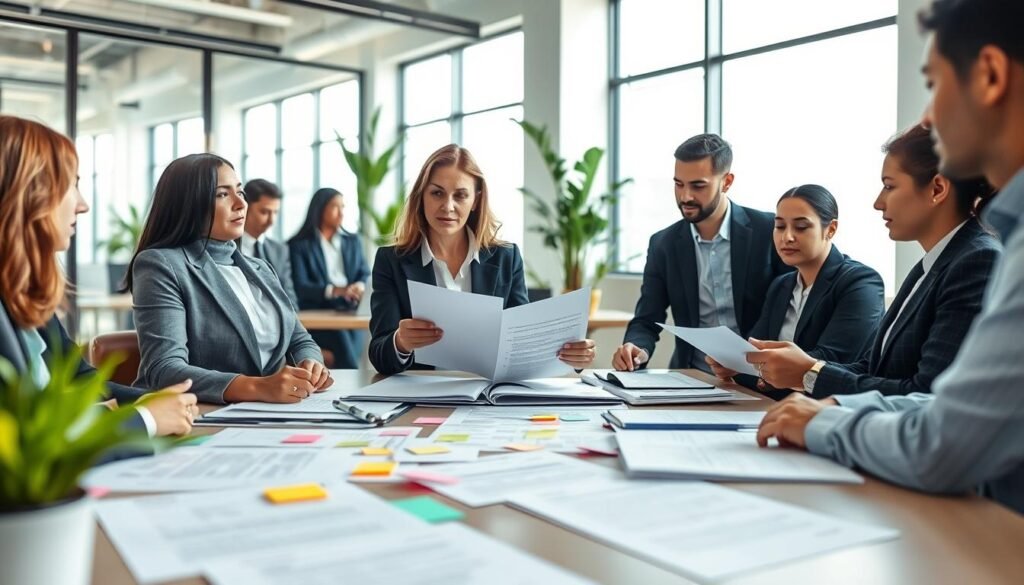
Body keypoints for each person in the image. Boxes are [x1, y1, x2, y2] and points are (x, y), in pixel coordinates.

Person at [755, 0, 1024, 514]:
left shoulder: (982, 257)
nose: (928, 117)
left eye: (934, 84)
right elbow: (939, 404)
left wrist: (823, 412)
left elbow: (946, 438)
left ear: (988, 75)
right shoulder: (935, 264)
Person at [745, 125, 999, 399]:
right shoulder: (930, 266)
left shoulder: (976, 261)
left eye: (889, 186)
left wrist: (809, 374)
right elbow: (874, 368)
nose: (878, 203)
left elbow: (927, 395)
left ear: (937, 188)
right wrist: (806, 370)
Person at [0, 114, 195, 439]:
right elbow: (22, 441)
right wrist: (145, 420)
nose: (83, 205)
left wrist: (146, 400)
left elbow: (78, 377)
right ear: (30, 192)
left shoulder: (23, 290)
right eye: (71, 186)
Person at [368, 144, 597, 375]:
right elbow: (379, 354)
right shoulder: (391, 261)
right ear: (422, 197)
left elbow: (521, 344)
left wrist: (574, 355)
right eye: (437, 193)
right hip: (421, 395)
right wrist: (401, 343)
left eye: (460, 195)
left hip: (488, 394)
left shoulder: (506, 258)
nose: (448, 207)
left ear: (476, 201)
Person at [129, 154, 331, 404]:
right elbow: (165, 369)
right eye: (222, 194)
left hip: (265, 413)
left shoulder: (260, 268)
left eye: (240, 192)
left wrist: (310, 363)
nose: (240, 204)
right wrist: (258, 388)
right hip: (196, 414)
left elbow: (299, 339)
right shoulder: (162, 264)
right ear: (189, 203)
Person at [613, 133, 789, 372]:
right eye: (679, 184)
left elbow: (792, 310)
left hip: (762, 379)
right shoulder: (662, 244)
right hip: (694, 378)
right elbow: (646, 319)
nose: (685, 196)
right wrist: (636, 348)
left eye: (698, 185)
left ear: (726, 182)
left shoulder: (769, 230)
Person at [707, 185, 884, 399]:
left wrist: (754, 368)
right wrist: (733, 364)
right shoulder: (781, 285)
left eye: (801, 227)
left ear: (831, 229)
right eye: (780, 226)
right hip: (774, 405)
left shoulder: (861, 282)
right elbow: (754, 349)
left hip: (826, 410)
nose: (787, 237)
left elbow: (832, 361)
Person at [288, 188, 370, 369]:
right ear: (320, 209)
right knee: (341, 336)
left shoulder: (352, 241)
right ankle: (353, 385)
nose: (341, 212)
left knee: (351, 337)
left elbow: (364, 272)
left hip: (350, 309)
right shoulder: (299, 245)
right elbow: (301, 287)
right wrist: (335, 290)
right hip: (317, 313)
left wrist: (358, 285)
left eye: (343, 207)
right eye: (335, 206)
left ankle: (348, 385)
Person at [239, 178, 298, 308]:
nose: (272, 220)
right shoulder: (226, 247)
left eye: (275, 212)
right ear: (245, 208)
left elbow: (291, 300)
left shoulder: (280, 250)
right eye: (264, 212)